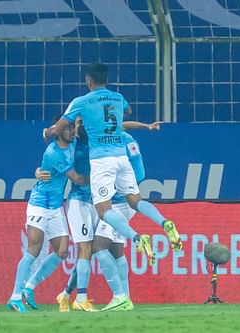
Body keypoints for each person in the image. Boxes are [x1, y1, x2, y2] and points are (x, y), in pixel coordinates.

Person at [44, 63, 183, 311]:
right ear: (106, 79)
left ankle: (137, 239)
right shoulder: (118, 98)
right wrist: (145, 126)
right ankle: (164, 223)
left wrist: (48, 132)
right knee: (135, 200)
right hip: (120, 159)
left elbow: (57, 129)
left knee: (102, 212)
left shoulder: (82, 102)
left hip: (103, 162)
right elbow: (125, 114)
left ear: (88, 80)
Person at [7, 121, 88, 313]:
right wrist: (103, 178)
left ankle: (29, 287)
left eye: (71, 128)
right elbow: (76, 178)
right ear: (59, 132)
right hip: (39, 205)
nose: (71, 132)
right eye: (67, 129)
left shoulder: (73, 143)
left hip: (56, 207)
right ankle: (15, 297)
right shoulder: (54, 153)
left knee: (62, 252)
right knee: (33, 250)